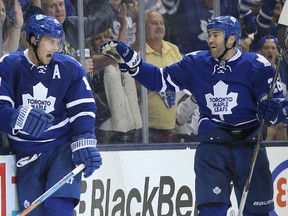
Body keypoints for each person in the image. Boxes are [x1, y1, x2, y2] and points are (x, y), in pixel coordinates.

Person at [101, 15, 282, 215]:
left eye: (216, 35)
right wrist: (133, 61)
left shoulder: (257, 65)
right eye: (209, 34)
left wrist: (273, 110)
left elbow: (279, 110)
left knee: (259, 213)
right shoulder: (196, 63)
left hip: (249, 148)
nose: (210, 39)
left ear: (232, 39)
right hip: (212, 149)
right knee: (210, 212)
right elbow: (159, 80)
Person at [0, 14, 102, 215]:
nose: (55, 48)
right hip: (27, 154)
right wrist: (16, 117)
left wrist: (84, 139)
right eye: (50, 42)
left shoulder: (69, 67)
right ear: (33, 40)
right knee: (34, 213)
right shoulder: (9, 65)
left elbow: (82, 108)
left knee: (59, 209)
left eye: (57, 42)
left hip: (61, 150)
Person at [88, 3, 142, 144]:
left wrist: (138, 19)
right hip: (106, 129)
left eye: (106, 36)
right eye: (98, 38)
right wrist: (123, 24)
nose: (103, 40)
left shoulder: (121, 57)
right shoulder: (92, 61)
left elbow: (139, 44)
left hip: (130, 126)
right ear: (91, 43)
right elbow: (115, 55)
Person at [143, 10, 183, 143]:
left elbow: (183, 81)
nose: (159, 27)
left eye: (162, 23)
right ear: (143, 27)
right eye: (154, 23)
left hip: (171, 125)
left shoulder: (173, 49)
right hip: (145, 128)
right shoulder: (139, 52)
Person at [257, 35, 288, 141]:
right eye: (266, 48)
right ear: (260, 51)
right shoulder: (255, 71)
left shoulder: (283, 70)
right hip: (265, 125)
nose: (270, 51)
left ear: (278, 52)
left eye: (273, 48)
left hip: (282, 124)